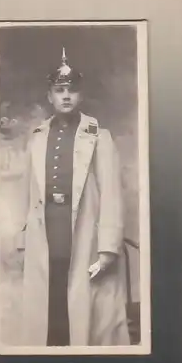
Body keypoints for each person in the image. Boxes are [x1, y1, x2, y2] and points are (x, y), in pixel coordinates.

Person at [15, 48, 130, 346]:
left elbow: (113, 196)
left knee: (83, 313)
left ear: (81, 95)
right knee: (49, 311)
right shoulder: (38, 137)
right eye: (60, 90)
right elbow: (27, 193)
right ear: (50, 96)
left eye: (72, 91)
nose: (66, 96)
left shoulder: (98, 136)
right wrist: (21, 240)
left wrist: (107, 249)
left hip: (82, 236)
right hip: (46, 236)